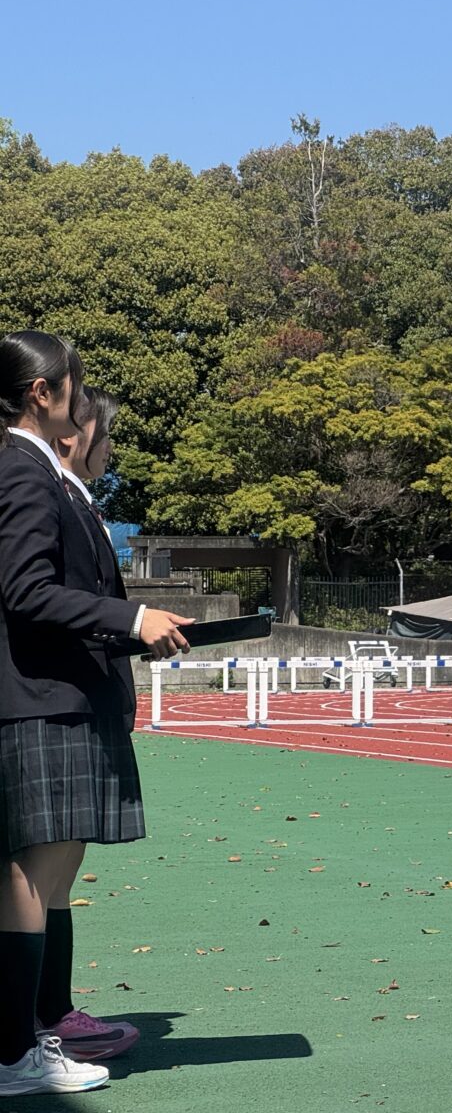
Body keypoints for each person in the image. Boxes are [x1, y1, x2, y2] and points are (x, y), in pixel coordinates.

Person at [0, 333, 192, 1097]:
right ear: (43, 395)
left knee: (44, 871)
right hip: (38, 701)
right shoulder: (22, 470)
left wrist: (132, 626)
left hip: (55, 696)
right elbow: (25, 589)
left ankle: (28, 1038)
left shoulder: (34, 470)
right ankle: (17, 1052)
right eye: (75, 387)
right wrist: (131, 617)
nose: (85, 402)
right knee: (29, 870)